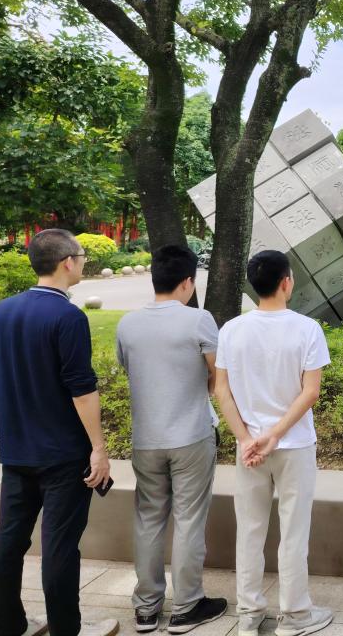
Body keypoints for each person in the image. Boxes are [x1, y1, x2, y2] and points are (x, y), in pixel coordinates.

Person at [0, 229, 118, 636]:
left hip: (16, 451)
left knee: (8, 541)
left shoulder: (1, 312)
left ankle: (8, 625)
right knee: (59, 547)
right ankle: (64, 629)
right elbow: (82, 389)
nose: (83, 261)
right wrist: (98, 448)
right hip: (63, 454)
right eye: (82, 255)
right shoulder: (68, 316)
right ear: (67, 262)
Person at [212, 251, 333, 636]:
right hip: (294, 445)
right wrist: (276, 434)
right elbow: (310, 392)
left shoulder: (231, 330)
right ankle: (295, 615)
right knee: (294, 532)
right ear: (286, 282)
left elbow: (221, 390)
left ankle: (249, 614)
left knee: (249, 530)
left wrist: (247, 438)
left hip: (249, 449)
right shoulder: (307, 329)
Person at [115, 245, 228, 633]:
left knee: (148, 519)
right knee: (189, 520)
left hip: (146, 439)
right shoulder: (199, 320)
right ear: (187, 282)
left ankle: (146, 608)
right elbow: (217, 375)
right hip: (191, 436)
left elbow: (131, 369)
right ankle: (187, 605)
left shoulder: (128, 324)